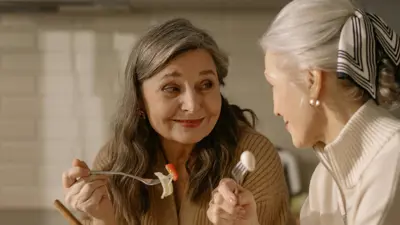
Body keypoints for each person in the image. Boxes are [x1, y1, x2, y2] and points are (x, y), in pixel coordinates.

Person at [61, 18, 292, 225]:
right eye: (171, 88)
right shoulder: (114, 162)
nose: (192, 105)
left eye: (206, 85)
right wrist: (105, 219)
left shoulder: (253, 155)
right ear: (140, 100)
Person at [207, 0, 400, 224]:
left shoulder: (391, 165)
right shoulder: (325, 178)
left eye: (274, 85)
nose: (276, 109)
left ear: (313, 81)